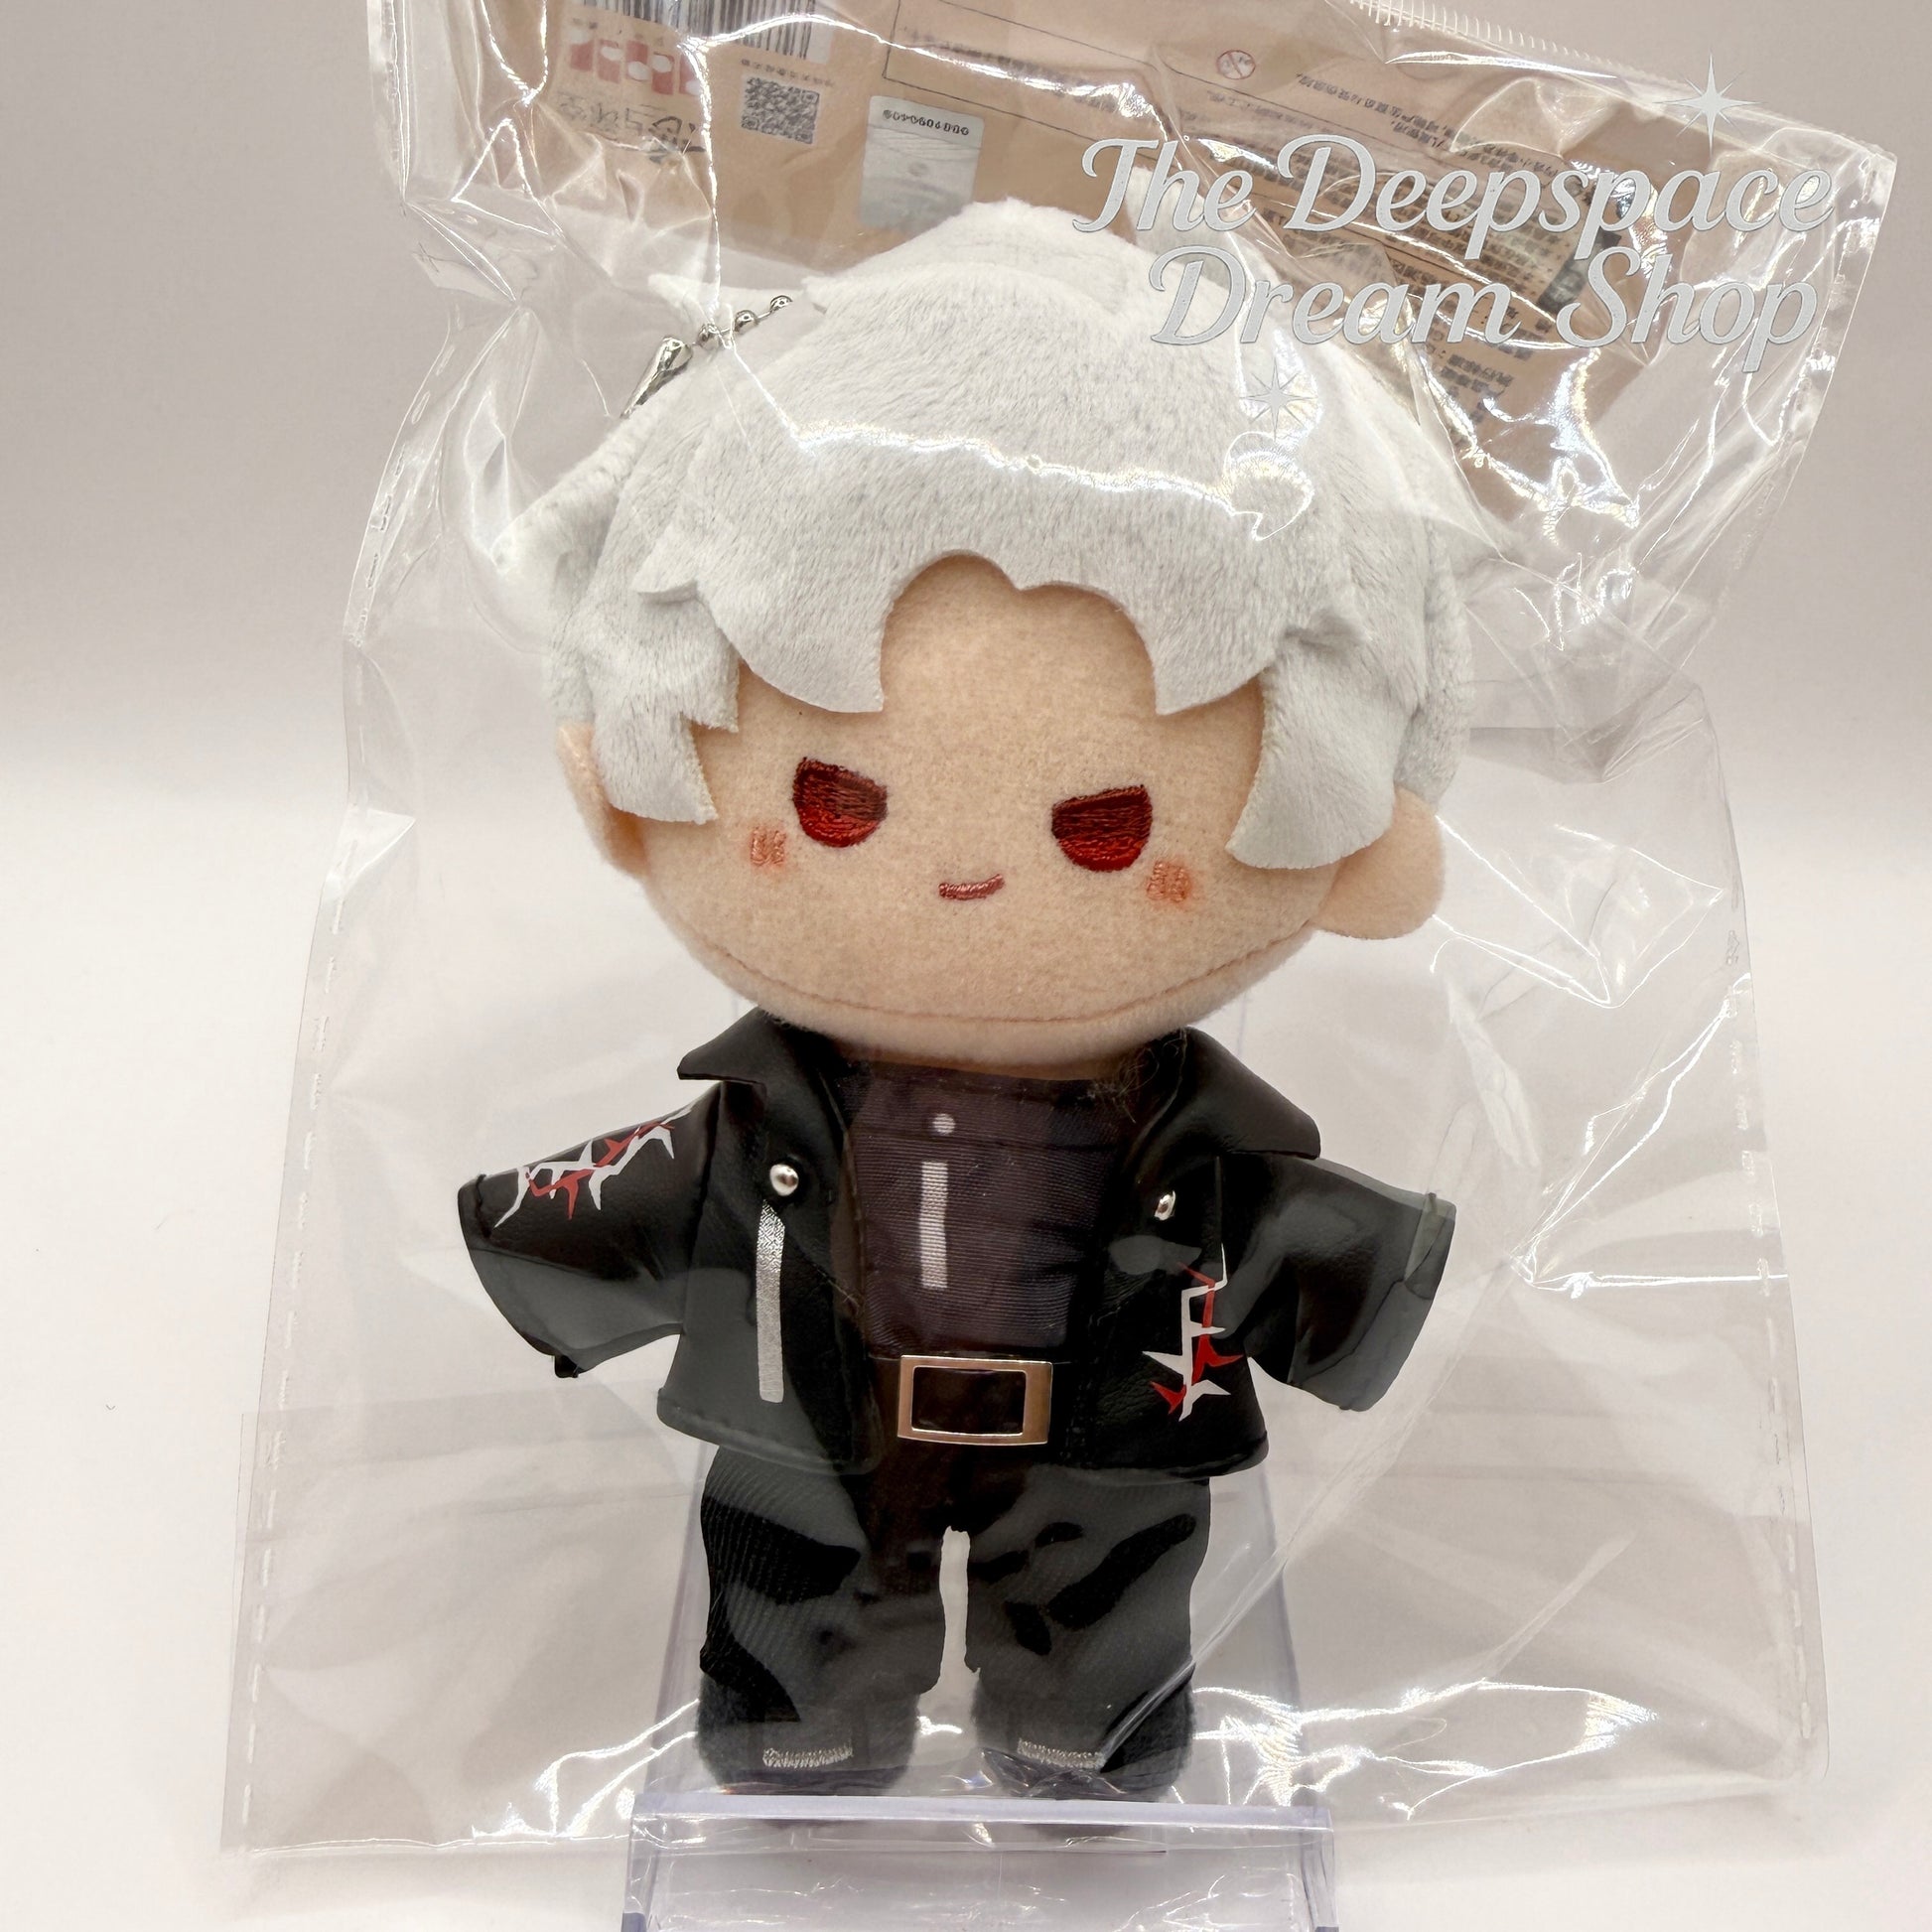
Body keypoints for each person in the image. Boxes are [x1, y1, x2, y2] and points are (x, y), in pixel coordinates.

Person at [458, 197, 1473, 1795]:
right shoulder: (770, 1122)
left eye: (1105, 827)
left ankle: (1084, 1736)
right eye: (837, 804)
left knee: (1102, 1616)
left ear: (1352, 839)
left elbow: (1275, 1229)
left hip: (1104, 1438)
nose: (969, 878)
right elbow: (666, 1189)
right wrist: (539, 1243)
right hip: (813, 1419)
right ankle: (798, 1725)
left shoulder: (1189, 1151)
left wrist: (1364, 1278)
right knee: (794, 1585)